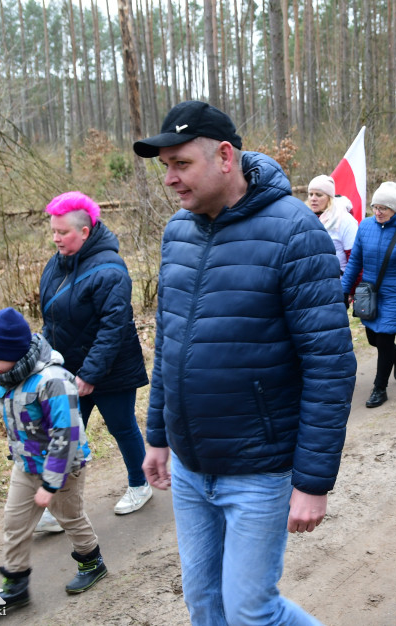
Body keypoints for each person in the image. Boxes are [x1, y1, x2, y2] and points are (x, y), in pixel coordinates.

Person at [133, 100, 356, 625]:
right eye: (165, 166)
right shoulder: (177, 233)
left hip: (259, 470)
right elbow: (170, 342)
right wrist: (159, 434)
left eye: (181, 163)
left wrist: (313, 482)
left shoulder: (296, 232)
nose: (170, 179)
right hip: (190, 466)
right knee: (205, 605)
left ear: (225, 156)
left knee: (252, 610)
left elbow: (329, 363)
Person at [0, 308, 106, 612]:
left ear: (15, 352)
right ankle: (16, 585)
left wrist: (51, 482)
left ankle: (92, 562)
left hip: (62, 469)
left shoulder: (53, 381)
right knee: (15, 522)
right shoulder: (6, 378)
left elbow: (66, 435)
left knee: (70, 518)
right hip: (26, 465)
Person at [38, 192, 151, 531]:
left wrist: (89, 374)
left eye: (63, 232)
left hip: (111, 370)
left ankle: (140, 484)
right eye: (53, 231)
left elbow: (113, 328)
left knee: (121, 426)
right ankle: (60, 507)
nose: (56, 238)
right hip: (68, 369)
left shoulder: (111, 270)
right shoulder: (56, 264)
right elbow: (52, 319)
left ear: (85, 232)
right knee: (67, 436)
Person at [343, 182, 396, 408]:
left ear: (394, 209)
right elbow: (355, 261)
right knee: (373, 338)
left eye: (384, 208)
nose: (378, 212)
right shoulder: (365, 226)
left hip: (395, 295)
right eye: (375, 207)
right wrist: (343, 289)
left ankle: (379, 388)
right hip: (370, 294)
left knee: (383, 338)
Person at [305, 174, 358, 274]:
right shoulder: (304, 218)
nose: (313, 198)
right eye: (310, 194)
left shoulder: (344, 220)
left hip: (338, 282)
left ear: (329, 197)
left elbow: (354, 260)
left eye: (319, 195)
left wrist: (347, 288)